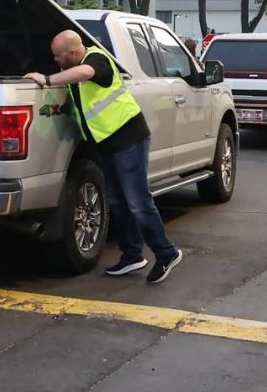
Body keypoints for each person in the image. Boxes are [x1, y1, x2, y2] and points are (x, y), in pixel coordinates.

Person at [25, 30, 183, 285]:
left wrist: (46, 79)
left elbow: (85, 73)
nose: (55, 60)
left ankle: (167, 253)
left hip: (129, 139)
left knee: (138, 202)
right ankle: (132, 255)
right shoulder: (74, 65)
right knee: (118, 202)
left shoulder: (96, 59)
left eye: (58, 56)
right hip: (107, 145)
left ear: (74, 53)